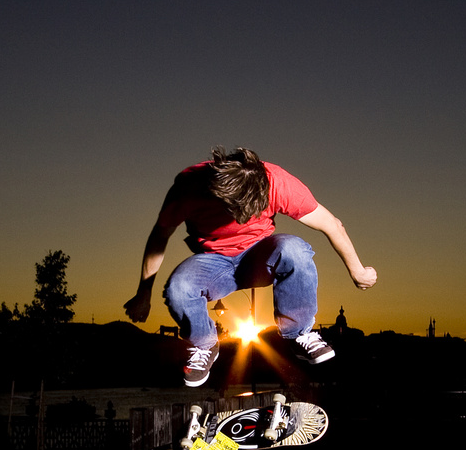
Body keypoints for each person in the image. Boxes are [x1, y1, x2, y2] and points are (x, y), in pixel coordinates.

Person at [124, 147, 378, 387]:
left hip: (260, 256)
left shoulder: (278, 182)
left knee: (295, 249)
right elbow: (159, 237)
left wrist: (357, 271)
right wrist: (143, 293)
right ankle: (204, 344)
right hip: (214, 262)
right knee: (178, 289)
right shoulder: (188, 186)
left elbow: (331, 224)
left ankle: (298, 334)